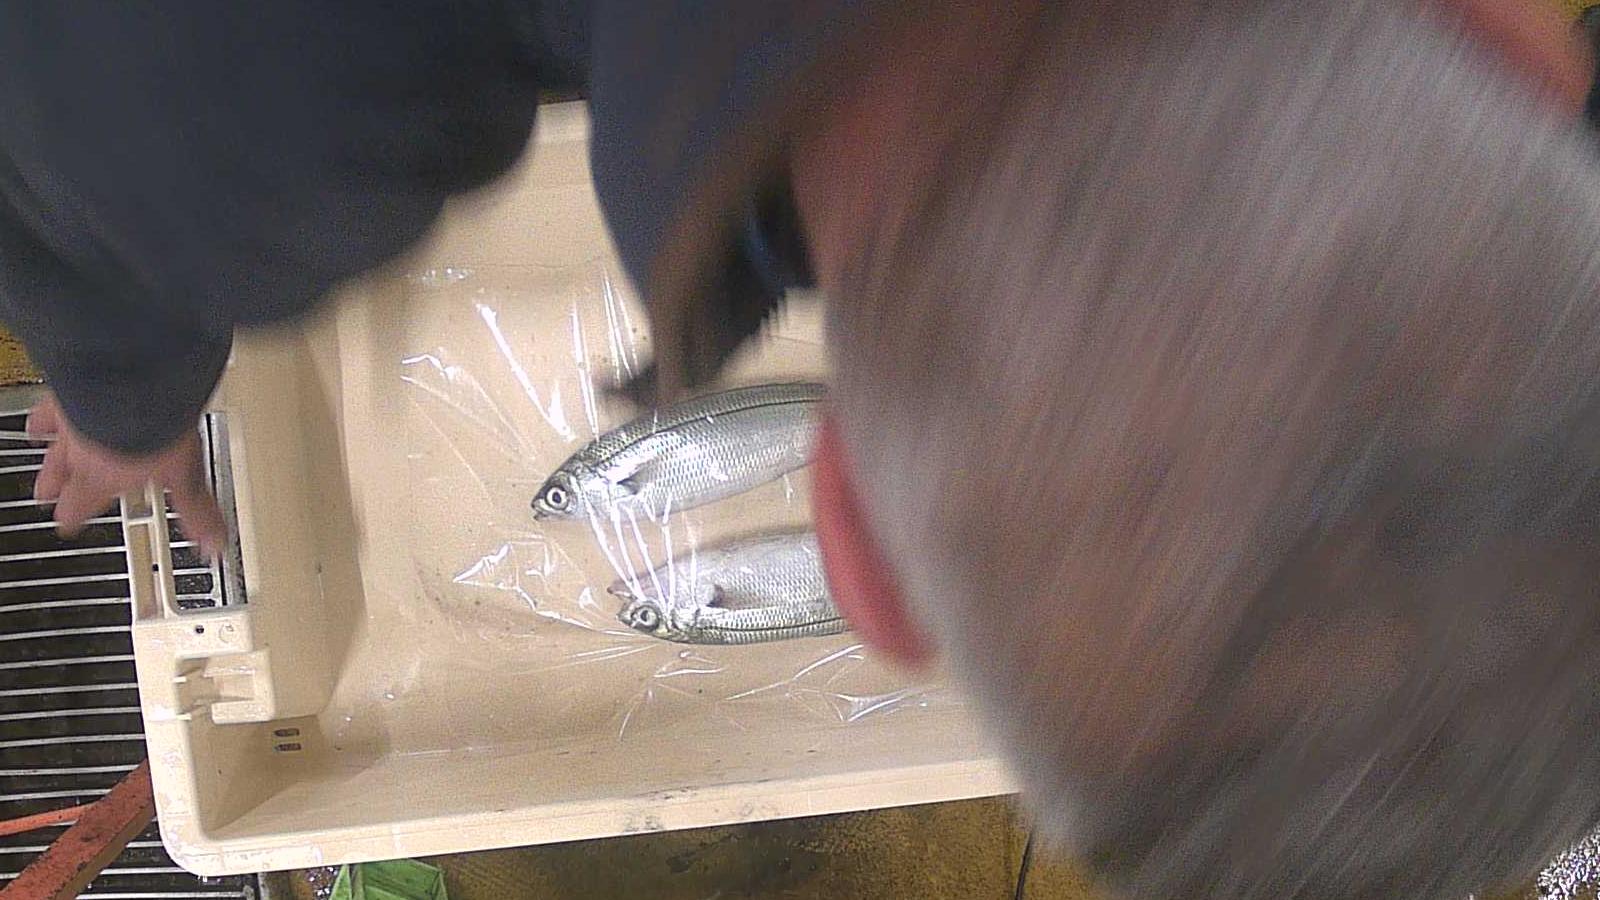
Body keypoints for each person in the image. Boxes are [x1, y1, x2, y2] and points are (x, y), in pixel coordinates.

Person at [4, 1, 1600, 897]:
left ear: (1515, 40)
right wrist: (124, 402)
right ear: (855, 546)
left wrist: (132, 362)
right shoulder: (228, 148)